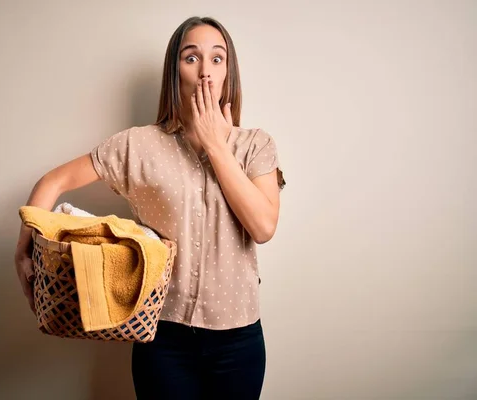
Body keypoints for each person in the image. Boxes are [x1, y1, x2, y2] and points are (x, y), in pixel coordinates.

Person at [14, 16, 286, 400]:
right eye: (191, 58)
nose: (206, 71)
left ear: (229, 72)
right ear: (174, 71)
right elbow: (53, 182)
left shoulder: (256, 146)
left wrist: (216, 145)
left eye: (217, 59)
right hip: (163, 341)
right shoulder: (138, 146)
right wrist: (22, 250)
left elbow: (263, 227)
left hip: (238, 343)